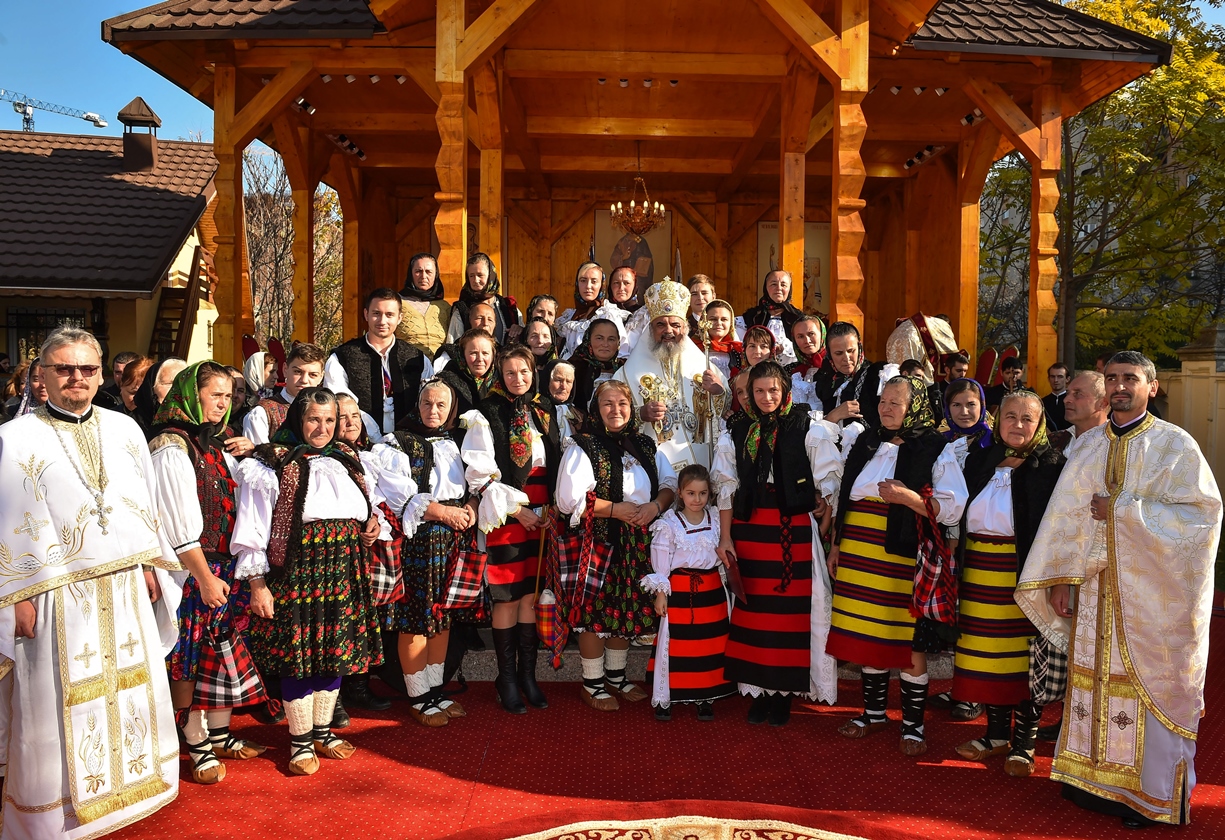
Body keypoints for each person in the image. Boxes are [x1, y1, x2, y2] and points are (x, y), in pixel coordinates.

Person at [1016, 352, 1222, 827]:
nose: (1120, 386)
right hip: (1094, 593)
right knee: (1091, 680)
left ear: (1152, 387)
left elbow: (1202, 520)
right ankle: (1091, 782)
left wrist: (1124, 510)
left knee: (1148, 685)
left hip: (1151, 601)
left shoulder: (1176, 446)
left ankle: (1148, 798)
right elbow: (1065, 522)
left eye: (1131, 378)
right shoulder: (1089, 445)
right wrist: (1063, 579)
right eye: (1112, 379)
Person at [0, 327, 181, 836]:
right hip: (53, 594)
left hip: (124, 587)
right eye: (63, 368)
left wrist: (150, 564)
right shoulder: (13, 438)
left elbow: (143, 502)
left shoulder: (125, 429)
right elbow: (7, 521)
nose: (76, 377)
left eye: (86, 368)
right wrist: (13, 597)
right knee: (51, 707)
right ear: (42, 375)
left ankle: (131, 793)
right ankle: (53, 818)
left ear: (102, 375)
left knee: (131, 693)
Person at [232, 387, 383, 776]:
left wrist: (370, 523)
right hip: (297, 572)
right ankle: (300, 741)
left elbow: (365, 507)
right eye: (314, 419)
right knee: (298, 657)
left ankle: (322, 731)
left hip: (344, 568)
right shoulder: (272, 462)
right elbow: (252, 527)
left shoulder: (346, 457)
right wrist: (258, 584)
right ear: (298, 420)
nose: (322, 427)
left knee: (334, 649)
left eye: (330, 420)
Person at [827, 375, 968, 756]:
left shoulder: (935, 447)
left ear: (915, 406)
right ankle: (873, 714)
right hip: (858, 551)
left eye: (896, 403)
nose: (887, 409)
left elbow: (953, 507)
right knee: (869, 637)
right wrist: (836, 545)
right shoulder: (867, 441)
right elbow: (845, 495)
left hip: (903, 555)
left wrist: (908, 498)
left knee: (907, 641)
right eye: (883, 401)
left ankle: (913, 726)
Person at [149, 361, 268, 785]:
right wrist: (203, 577)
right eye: (215, 394)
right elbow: (176, 522)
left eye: (228, 396)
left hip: (223, 566)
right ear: (190, 395)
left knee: (219, 652)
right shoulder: (171, 445)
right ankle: (196, 742)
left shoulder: (216, 444)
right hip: (190, 571)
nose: (223, 403)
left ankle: (220, 734)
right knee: (189, 657)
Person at [713, 361, 841, 726]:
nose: (766, 397)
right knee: (754, 612)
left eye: (773, 390)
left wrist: (824, 510)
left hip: (792, 531)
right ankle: (760, 689)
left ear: (785, 391)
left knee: (789, 615)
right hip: (750, 529)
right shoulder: (737, 431)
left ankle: (783, 693)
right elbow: (727, 488)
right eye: (759, 391)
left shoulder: (806, 426)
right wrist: (725, 537)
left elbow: (829, 479)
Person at [951, 391, 1065, 777]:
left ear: (1040, 424)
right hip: (978, 574)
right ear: (997, 421)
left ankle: (1024, 744)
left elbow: (1059, 529)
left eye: (1027, 418)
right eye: (1010, 416)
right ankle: (996, 735)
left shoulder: (1051, 466)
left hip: (1023, 577)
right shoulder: (980, 459)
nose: (1017, 424)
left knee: (1025, 661)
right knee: (988, 659)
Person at [555, 379, 677, 712]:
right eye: (607, 404)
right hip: (599, 539)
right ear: (596, 409)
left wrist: (655, 506)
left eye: (622, 404)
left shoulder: (644, 444)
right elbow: (568, 500)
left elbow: (669, 484)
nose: (616, 410)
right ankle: (592, 683)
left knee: (625, 608)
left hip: (636, 539)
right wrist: (615, 510)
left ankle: (616, 676)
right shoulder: (583, 445)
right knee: (595, 610)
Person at [462, 346, 560, 714]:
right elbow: (480, 474)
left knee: (530, 595)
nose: (518, 379)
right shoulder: (487, 412)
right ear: (499, 376)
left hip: (542, 511)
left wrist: (551, 506)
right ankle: (505, 679)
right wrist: (518, 511)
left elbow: (555, 462)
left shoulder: (544, 409)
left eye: (524, 372)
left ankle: (527, 676)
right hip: (507, 512)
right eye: (510, 373)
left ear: (534, 372)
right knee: (506, 596)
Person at [381, 380, 480, 726]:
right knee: (416, 618)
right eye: (427, 403)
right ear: (417, 404)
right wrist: (442, 513)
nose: (433, 411)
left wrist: (471, 506)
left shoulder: (459, 441)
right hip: (421, 539)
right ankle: (418, 695)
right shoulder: (397, 442)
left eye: (441, 405)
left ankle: (435, 689)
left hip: (454, 538)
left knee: (442, 616)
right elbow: (397, 494)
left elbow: (475, 483)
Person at [642, 463, 733, 721]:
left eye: (703, 493)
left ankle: (706, 695)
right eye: (691, 493)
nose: (697, 499)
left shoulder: (716, 519)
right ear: (680, 493)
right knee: (676, 645)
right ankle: (667, 696)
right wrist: (661, 594)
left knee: (710, 645)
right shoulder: (669, 524)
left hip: (712, 593)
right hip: (680, 594)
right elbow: (661, 562)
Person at [614, 279, 726, 470]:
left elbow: (727, 407)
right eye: (660, 325)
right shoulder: (626, 373)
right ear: (651, 329)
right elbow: (607, 413)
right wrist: (640, 414)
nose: (668, 331)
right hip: (655, 463)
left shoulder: (704, 365)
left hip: (699, 464)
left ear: (685, 328)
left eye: (675, 324)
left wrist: (718, 393)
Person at [325, 287, 432, 438]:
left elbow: (427, 402)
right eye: (376, 313)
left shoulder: (417, 358)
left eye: (389, 315)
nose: (382, 321)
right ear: (366, 314)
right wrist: (373, 434)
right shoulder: (342, 357)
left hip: (409, 441)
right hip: (360, 441)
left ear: (399, 318)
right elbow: (339, 403)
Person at [815, 321, 899, 436]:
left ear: (859, 347)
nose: (846, 358)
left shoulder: (877, 375)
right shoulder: (824, 383)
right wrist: (835, 415)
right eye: (839, 353)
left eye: (851, 351)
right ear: (829, 354)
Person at [243, 343, 326, 445]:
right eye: (298, 372)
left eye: (313, 375)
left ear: (321, 377)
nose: (304, 380)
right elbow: (257, 454)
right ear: (285, 370)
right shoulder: (261, 414)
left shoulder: (328, 412)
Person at [555, 262, 629, 359]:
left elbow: (621, 352)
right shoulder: (570, 316)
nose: (588, 286)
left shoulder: (608, 314)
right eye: (583, 280)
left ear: (601, 285)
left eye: (594, 281)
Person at [447, 252, 522, 344]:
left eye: (480, 275)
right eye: (471, 276)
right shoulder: (462, 310)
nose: (475, 280)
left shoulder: (508, 306)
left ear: (491, 275)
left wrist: (520, 330)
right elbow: (452, 344)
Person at [737, 270, 801, 367]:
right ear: (766, 288)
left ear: (789, 289)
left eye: (783, 285)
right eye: (773, 284)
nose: (778, 288)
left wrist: (785, 348)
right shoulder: (752, 316)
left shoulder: (797, 318)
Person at [397, 253, 452, 357]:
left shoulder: (444, 308)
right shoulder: (397, 303)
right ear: (411, 274)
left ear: (436, 275)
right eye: (418, 271)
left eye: (428, 272)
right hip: (407, 364)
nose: (423, 276)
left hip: (439, 365)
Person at [437, 329, 497, 416]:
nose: (480, 359)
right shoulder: (447, 381)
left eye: (485, 353)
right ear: (462, 354)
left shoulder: (501, 381)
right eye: (473, 353)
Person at [570, 318, 624, 414]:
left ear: (618, 343)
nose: (605, 344)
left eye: (611, 339)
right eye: (599, 338)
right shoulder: (572, 368)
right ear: (588, 340)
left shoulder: (625, 368)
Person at [787, 315, 827, 409]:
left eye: (811, 334)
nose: (807, 341)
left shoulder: (836, 367)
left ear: (822, 334)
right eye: (800, 336)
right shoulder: (790, 371)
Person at [698, 299, 742, 383]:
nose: (719, 323)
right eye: (713, 319)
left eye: (724, 319)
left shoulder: (739, 350)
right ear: (703, 322)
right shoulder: (694, 348)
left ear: (731, 323)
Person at [545, 360, 581, 440]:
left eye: (568, 381)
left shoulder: (580, 416)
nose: (563, 386)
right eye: (558, 380)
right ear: (547, 381)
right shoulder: (535, 412)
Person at [685, 275, 718, 343]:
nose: (700, 298)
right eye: (694, 294)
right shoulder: (683, 327)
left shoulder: (721, 325)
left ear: (713, 296)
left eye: (704, 293)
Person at [1042, 363, 1072, 431]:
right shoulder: (1042, 403)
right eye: (1052, 376)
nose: (1056, 380)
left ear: (1067, 379)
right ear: (1048, 379)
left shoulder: (1073, 401)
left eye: (1060, 377)